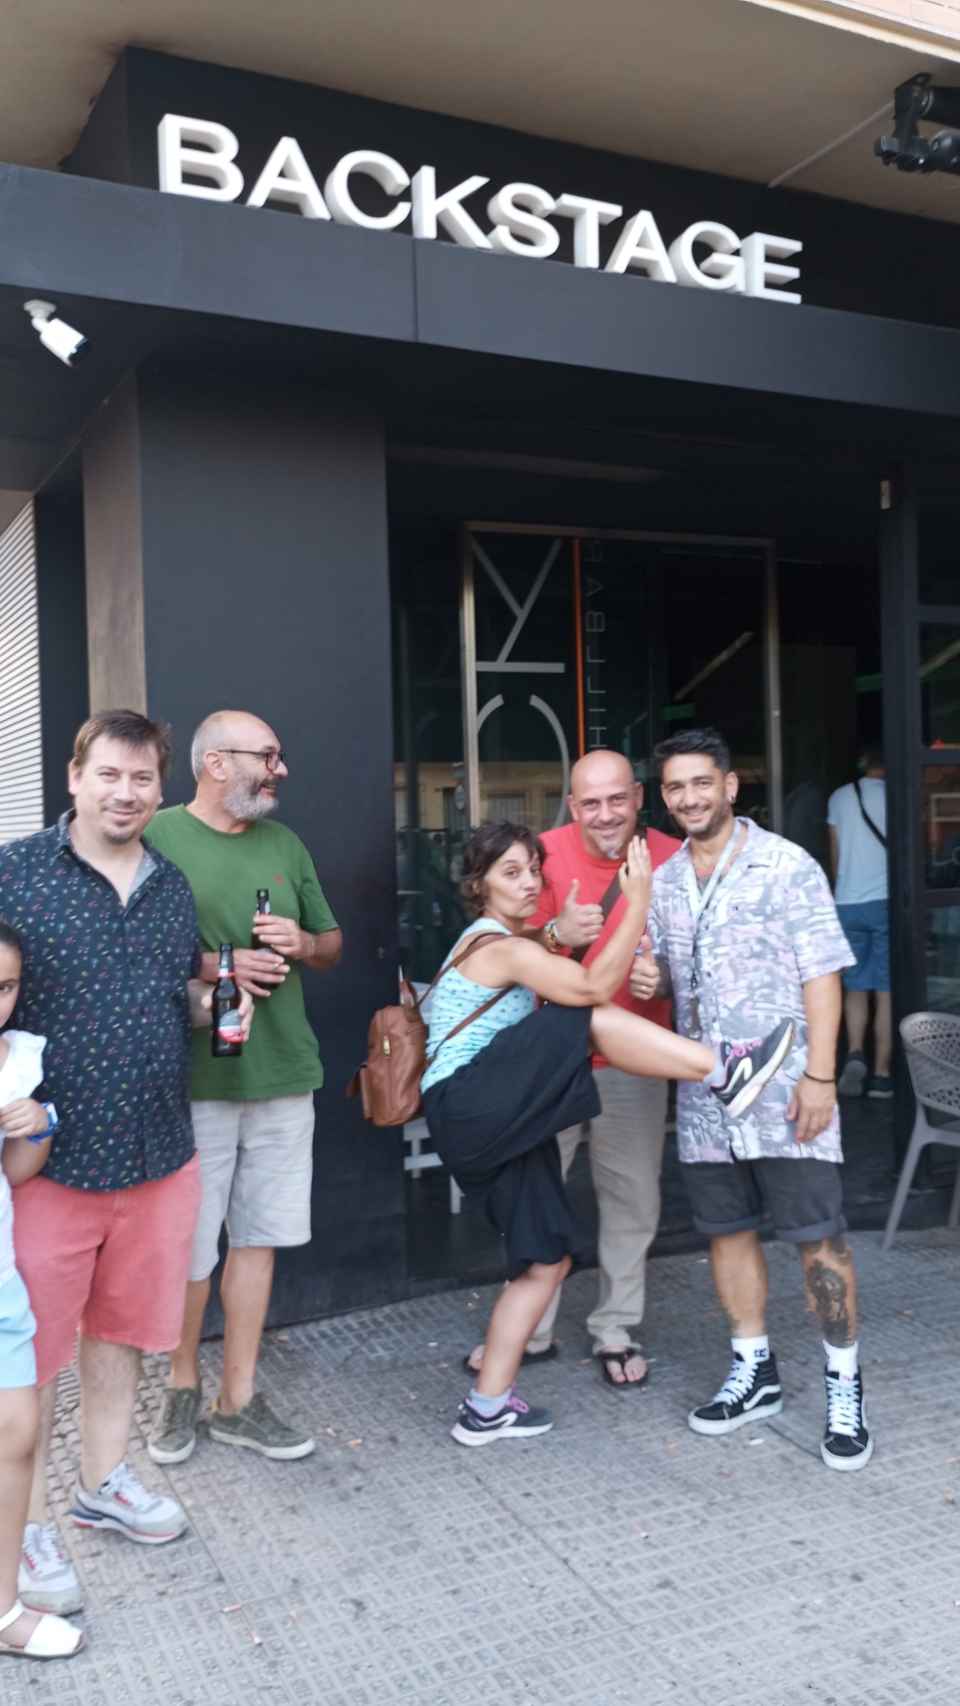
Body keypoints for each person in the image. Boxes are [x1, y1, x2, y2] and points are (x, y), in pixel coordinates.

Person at [421, 818, 795, 1446]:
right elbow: (593, 986)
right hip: (473, 1102)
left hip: (489, 1113)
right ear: (478, 885)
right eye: (509, 873)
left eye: (533, 870)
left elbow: (547, 959)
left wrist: (556, 934)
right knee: (585, 1017)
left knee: (545, 1260)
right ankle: (722, 1069)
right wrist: (638, 902)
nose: (528, 882)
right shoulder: (496, 945)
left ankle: (486, 1408)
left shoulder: (517, 944)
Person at [0, 710, 253, 1619]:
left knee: (120, 1337)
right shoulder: (14, 872)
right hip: (46, 1165)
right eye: (108, 774)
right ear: (74, 777)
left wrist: (215, 1001)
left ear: (160, 788)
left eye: (141, 779)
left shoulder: (173, 885)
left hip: (156, 1153)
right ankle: (16, 1530)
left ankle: (104, 1480)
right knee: (23, 1362)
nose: (125, 792)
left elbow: (176, 993)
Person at [632, 727, 872, 1471]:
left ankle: (843, 1384)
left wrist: (823, 1075)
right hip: (707, 1096)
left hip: (788, 1089)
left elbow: (823, 974)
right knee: (726, 1230)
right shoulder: (665, 880)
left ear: (731, 786)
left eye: (701, 782)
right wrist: (655, 982)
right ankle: (754, 1369)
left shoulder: (786, 865)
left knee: (816, 1234)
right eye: (675, 787)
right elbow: (674, 971)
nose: (689, 798)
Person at [147, 710, 342, 1466]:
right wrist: (216, 965)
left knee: (258, 1241)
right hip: (193, 1080)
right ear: (216, 763)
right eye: (269, 755)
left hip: (284, 1074)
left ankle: (239, 1399)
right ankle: (179, 1385)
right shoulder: (158, 837)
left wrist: (304, 942)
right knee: (191, 1252)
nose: (281, 769)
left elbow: (331, 944)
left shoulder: (285, 845)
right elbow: (129, 947)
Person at [464, 749, 680, 1391]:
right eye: (590, 802)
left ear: (639, 797)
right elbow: (487, 943)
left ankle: (616, 1327)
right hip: (546, 1058)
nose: (604, 814)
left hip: (633, 1055)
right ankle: (529, 1329)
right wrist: (555, 933)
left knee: (632, 1197)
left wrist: (666, 975)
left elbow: (701, 955)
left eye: (617, 799)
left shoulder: (671, 856)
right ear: (571, 802)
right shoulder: (542, 853)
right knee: (536, 1194)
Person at [0, 924, 83, 1661]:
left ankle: (3, 1613)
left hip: (0, 1289)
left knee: (18, 1435)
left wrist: (38, 1124)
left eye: (4, 986)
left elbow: (19, 1172)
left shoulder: (18, 1058)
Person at [827, 750, 891, 1099]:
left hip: (847, 902)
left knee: (855, 986)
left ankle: (854, 1052)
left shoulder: (839, 797)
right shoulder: (897, 795)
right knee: (885, 989)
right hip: (884, 901)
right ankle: (881, 1075)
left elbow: (835, 856)